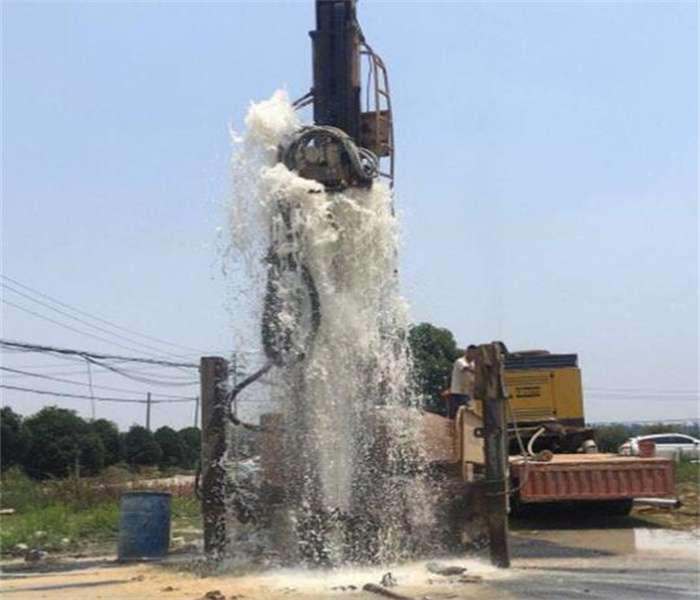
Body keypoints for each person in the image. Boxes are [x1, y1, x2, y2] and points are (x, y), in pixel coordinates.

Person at [449, 345, 478, 418]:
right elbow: (467, 368)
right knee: (455, 415)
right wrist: (482, 372)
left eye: (475, 353)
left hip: (467, 392)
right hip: (457, 392)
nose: (473, 355)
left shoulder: (473, 364)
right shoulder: (460, 361)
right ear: (467, 352)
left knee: (466, 414)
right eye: (471, 352)